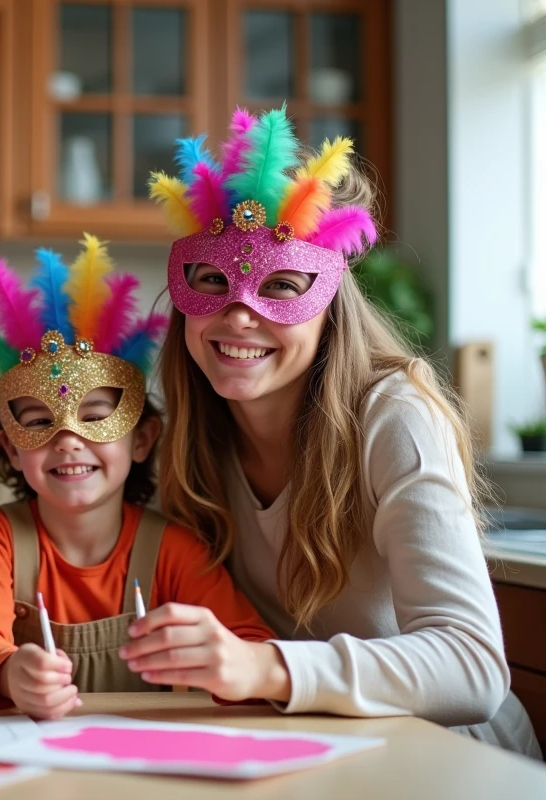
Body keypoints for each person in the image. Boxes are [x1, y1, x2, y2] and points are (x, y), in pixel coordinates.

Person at [132, 107, 541, 758]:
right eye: (212, 280)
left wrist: (264, 668)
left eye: (282, 285)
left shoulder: (394, 416)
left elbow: (472, 667)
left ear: (328, 304)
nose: (240, 315)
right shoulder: (194, 438)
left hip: (447, 758)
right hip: (311, 746)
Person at [0, 237, 275, 719]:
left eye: (96, 417)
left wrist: (215, 661)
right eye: (38, 422)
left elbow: (251, 647)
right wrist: (10, 671)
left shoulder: (174, 549)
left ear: (141, 441)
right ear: (11, 450)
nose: (67, 440)